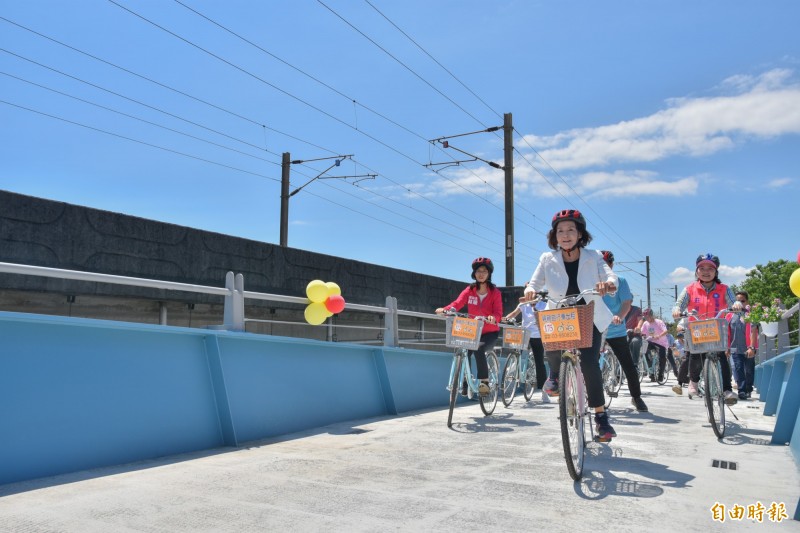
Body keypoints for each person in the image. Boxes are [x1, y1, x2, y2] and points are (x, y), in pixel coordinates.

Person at [522, 209, 618, 441]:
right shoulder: (547, 258)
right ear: (554, 235)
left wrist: (609, 285)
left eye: (571, 230)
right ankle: (555, 374)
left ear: (580, 234)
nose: (565, 235)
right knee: (551, 347)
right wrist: (530, 290)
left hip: (589, 314)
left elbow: (609, 276)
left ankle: (600, 417)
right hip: (560, 313)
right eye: (560, 231)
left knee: (589, 363)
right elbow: (533, 283)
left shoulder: (593, 256)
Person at [671, 253, 742, 404]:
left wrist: (736, 305)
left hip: (716, 329)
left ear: (716, 272)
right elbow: (679, 304)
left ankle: (727, 390)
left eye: (710, 268)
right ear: (696, 271)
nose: (706, 271)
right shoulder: (690, 289)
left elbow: (733, 302)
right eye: (701, 267)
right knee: (696, 356)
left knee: (721, 357)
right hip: (697, 329)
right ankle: (693, 383)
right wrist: (677, 310)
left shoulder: (724, 289)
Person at [436, 257, 503, 396]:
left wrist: (493, 318)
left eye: (484, 271)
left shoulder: (495, 292)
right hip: (472, 330)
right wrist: (445, 309)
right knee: (464, 349)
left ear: (489, 273)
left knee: (478, 347)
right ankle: (465, 382)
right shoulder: (470, 290)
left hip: (489, 332)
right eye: (478, 271)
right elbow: (457, 303)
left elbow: (498, 313)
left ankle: (484, 382)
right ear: (474, 273)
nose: (481, 274)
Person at [598, 250, 648, 412]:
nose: (604, 268)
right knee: (588, 363)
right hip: (596, 328)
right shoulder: (590, 281)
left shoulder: (621, 281)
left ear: (611, 265)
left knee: (627, 364)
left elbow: (626, 303)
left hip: (615, 329)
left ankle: (636, 397)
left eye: (606, 264)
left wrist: (620, 315)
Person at [503, 285, 548, 394]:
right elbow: (514, 313)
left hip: (537, 335)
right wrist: (505, 318)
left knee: (539, 362)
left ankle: (544, 391)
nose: (530, 296)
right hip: (524, 332)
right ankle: (513, 367)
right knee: (516, 350)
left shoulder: (544, 305)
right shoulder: (523, 304)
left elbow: (547, 317)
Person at [727, 291, 759, 401]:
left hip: (749, 347)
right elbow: (726, 333)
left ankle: (748, 389)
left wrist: (752, 347)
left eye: (742, 301)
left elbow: (753, 331)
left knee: (749, 370)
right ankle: (741, 391)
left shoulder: (750, 314)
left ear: (747, 302)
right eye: (737, 301)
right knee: (738, 368)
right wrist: (727, 348)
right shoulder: (729, 316)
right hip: (735, 348)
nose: (740, 303)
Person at [637, 308, 670, 382]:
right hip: (651, 341)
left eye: (648, 316)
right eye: (645, 317)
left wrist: (658, 336)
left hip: (661, 343)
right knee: (644, 350)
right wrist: (637, 331)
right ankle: (650, 370)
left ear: (652, 315)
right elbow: (642, 332)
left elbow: (665, 331)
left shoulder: (659, 322)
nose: (647, 318)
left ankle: (661, 374)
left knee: (662, 357)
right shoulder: (645, 323)